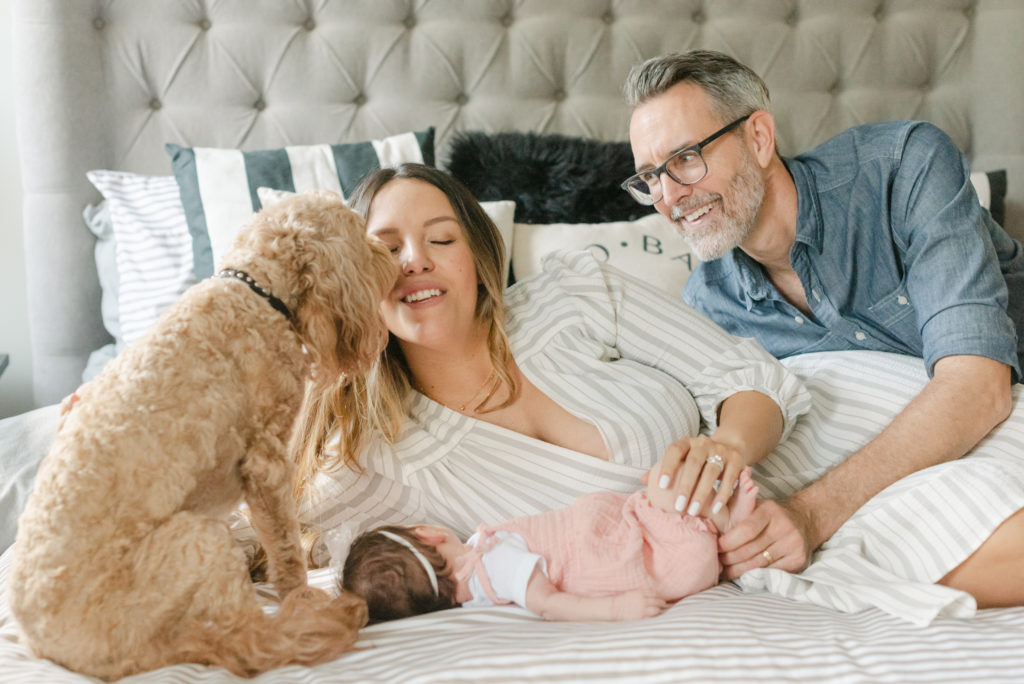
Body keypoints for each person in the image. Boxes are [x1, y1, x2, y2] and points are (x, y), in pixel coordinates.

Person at [621, 49, 1024, 605]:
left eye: (686, 158)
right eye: (650, 178)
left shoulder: (903, 168)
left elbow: (978, 387)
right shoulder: (708, 307)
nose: (668, 198)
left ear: (759, 138)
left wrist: (809, 516)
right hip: (919, 486)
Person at [285, 163, 810, 582]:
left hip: (812, 477)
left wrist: (729, 447)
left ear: (477, 254)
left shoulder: (574, 292)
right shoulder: (381, 458)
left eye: (442, 240)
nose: (415, 260)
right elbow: (250, 532)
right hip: (735, 580)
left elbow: (750, 374)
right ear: (356, 281)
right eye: (387, 249)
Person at [341, 467, 759, 623]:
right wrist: (616, 609)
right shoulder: (493, 563)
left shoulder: (473, 594)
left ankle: (718, 525)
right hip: (602, 545)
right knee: (662, 490)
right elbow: (547, 604)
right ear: (427, 534)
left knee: (662, 505)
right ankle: (723, 519)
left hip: (605, 540)